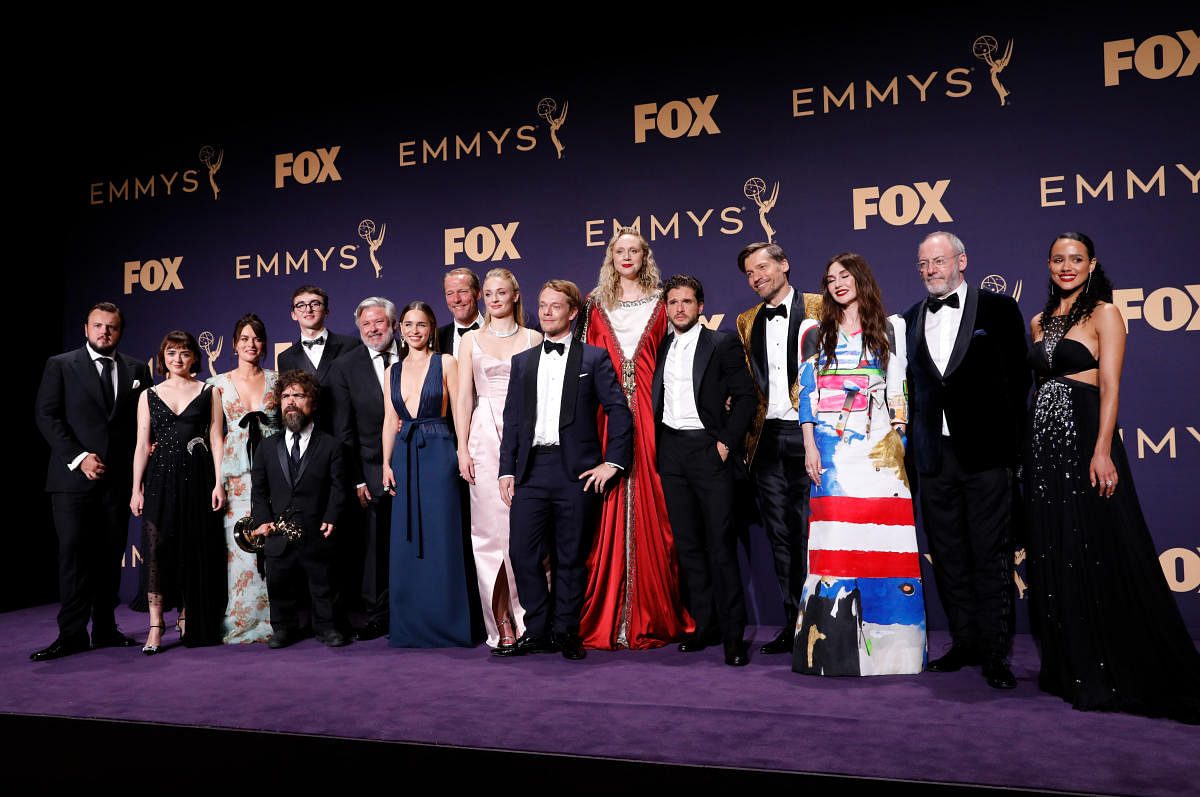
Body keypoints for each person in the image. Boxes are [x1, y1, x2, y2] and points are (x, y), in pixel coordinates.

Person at [1026, 233, 1200, 722]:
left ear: (1092, 263)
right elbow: (1041, 384)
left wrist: (1103, 449)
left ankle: (1109, 663)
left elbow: (1111, 386)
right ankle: (1070, 665)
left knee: (1098, 544)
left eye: (1076, 259)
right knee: (1057, 548)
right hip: (1043, 444)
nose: (1067, 266)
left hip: (1086, 439)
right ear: (1049, 264)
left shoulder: (1104, 313)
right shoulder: (1038, 321)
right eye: (1059, 259)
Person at [901, 231, 1029, 690]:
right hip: (934, 458)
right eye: (922, 264)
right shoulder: (910, 318)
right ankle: (964, 642)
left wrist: (1013, 452)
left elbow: (1019, 384)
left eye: (938, 261)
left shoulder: (998, 309)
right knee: (949, 555)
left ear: (962, 261)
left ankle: (996, 654)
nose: (930, 270)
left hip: (986, 455)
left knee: (991, 556)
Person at [792, 254, 924, 676]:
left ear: (861, 279)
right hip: (830, 454)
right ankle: (829, 653)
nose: (836, 284)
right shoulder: (813, 331)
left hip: (879, 452)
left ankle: (894, 652)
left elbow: (899, 387)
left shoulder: (892, 328)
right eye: (829, 279)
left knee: (886, 546)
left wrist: (898, 439)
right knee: (835, 545)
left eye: (844, 276)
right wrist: (810, 446)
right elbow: (806, 395)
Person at [496, 280, 633, 660]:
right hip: (531, 471)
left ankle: (564, 631)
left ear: (572, 313)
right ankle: (537, 628)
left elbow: (619, 413)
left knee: (570, 556)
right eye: (542, 306)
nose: (546, 313)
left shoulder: (593, 358)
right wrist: (506, 469)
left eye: (555, 307)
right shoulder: (522, 362)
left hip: (576, 472)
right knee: (522, 554)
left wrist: (612, 462)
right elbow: (513, 421)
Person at [575, 227, 691, 650]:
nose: (626, 257)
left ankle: (650, 610)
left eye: (634, 251)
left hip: (652, 411)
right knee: (605, 499)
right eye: (619, 251)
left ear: (645, 257)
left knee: (654, 502)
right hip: (607, 414)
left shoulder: (664, 302)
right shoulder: (593, 305)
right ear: (610, 257)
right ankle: (607, 612)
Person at [32, 302, 152, 661]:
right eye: (98, 326)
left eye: (111, 327)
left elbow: (139, 425)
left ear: (120, 331)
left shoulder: (137, 370)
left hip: (116, 483)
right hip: (71, 483)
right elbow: (47, 415)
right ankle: (70, 635)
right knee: (74, 559)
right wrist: (79, 457)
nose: (105, 332)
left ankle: (104, 628)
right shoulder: (61, 365)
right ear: (86, 328)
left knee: (109, 557)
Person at [651, 275, 757, 667]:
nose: (680, 308)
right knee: (689, 547)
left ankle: (733, 638)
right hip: (672, 452)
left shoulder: (721, 342)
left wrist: (726, 444)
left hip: (709, 450)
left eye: (687, 301)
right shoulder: (663, 345)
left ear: (700, 307)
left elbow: (745, 396)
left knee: (720, 546)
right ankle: (704, 626)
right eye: (673, 302)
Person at [734, 242, 823, 654]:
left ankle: (823, 623)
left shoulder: (823, 306)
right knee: (781, 537)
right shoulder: (745, 320)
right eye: (750, 273)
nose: (757, 277)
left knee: (814, 533)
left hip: (815, 437)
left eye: (763, 267)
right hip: (767, 440)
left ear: (785, 264)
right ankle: (793, 622)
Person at [454, 268, 542, 648]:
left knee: (528, 532)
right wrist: (462, 447)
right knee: (489, 534)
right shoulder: (469, 341)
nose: (494, 299)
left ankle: (534, 618)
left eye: (501, 292)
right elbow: (462, 398)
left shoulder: (534, 337)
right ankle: (502, 621)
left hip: (528, 436)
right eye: (488, 293)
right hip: (484, 436)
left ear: (516, 295)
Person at [382, 302, 474, 647]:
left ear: (432, 328)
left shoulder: (446, 362)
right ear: (400, 329)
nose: (415, 331)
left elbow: (462, 406)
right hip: (404, 456)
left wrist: (462, 451)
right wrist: (386, 464)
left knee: (442, 536)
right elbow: (390, 421)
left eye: (422, 325)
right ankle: (410, 625)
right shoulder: (392, 370)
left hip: (439, 451)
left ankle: (448, 625)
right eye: (408, 324)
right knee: (406, 541)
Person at [130, 331, 227, 652]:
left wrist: (219, 482)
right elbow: (142, 444)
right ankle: (155, 627)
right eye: (171, 353)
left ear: (194, 357)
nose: (177, 359)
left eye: (184, 353)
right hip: (159, 480)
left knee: (192, 549)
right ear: (163, 357)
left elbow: (216, 439)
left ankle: (187, 616)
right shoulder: (148, 395)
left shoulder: (210, 392)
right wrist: (136, 488)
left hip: (199, 479)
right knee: (157, 552)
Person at [250, 370, 348, 649]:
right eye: (285, 396)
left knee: (323, 584)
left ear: (312, 402)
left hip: (317, 530)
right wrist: (263, 521)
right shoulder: (267, 447)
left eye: (298, 395)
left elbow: (339, 487)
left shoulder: (331, 445)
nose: (291, 401)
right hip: (277, 533)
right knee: (279, 583)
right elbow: (259, 489)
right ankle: (282, 628)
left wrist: (331, 516)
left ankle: (327, 627)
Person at [327, 297, 401, 641]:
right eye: (366, 324)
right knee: (375, 547)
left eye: (379, 322)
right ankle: (377, 614)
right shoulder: (346, 365)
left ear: (393, 324)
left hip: (419, 462)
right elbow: (344, 431)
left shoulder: (416, 351)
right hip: (370, 470)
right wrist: (357, 477)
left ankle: (415, 607)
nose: (373, 329)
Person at [207, 313, 278, 644]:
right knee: (240, 551)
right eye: (245, 339)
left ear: (264, 344)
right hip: (235, 478)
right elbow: (215, 436)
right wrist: (218, 481)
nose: (252, 344)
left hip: (275, 477)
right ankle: (241, 620)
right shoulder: (217, 385)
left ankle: (276, 618)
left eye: (258, 338)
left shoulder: (278, 381)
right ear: (234, 344)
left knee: (273, 544)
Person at [277, 285, 359, 432]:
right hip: (307, 439)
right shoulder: (285, 358)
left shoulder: (350, 346)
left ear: (326, 311)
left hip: (346, 436)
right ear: (293, 315)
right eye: (301, 305)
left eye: (315, 304)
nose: (308, 309)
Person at [438, 268, 483, 359]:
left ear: (478, 294)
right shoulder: (437, 338)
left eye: (463, 292)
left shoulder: (498, 330)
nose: (456, 299)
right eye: (450, 293)